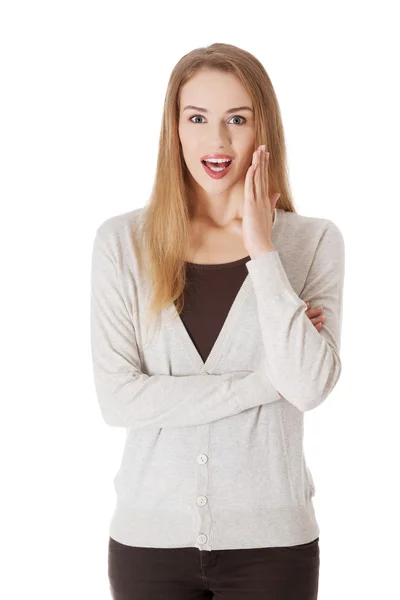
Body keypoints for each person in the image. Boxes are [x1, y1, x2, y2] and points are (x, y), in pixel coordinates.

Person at [90, 42, 345, 599]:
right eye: (198, 118)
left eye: (237, 119)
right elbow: (118, 400)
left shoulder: (311, 243)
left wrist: (263, 250)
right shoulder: (122, 244)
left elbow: (307, 387)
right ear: (174, 129)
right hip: (147, 545)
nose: (218, 141)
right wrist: (262, 384)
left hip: (274, 546)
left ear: (263, 130)